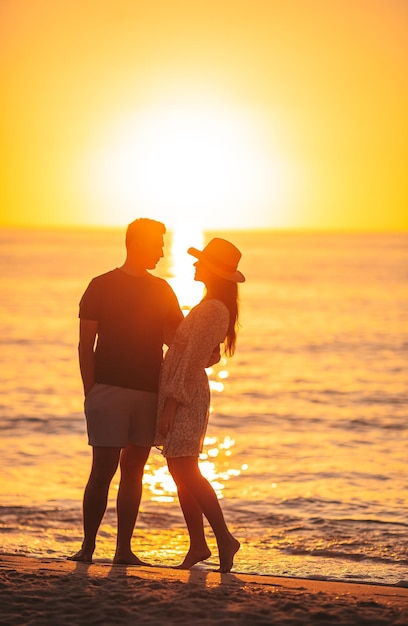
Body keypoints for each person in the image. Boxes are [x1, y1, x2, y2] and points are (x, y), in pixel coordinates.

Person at [70, 218, 185, 565]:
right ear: (136, 243)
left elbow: (175, 341)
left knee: (134, 470)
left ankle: (123, 551)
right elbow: (84, 346)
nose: (162, 252)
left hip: (150, 392)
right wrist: (91, 393)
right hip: (108, 391)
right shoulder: (100, 285)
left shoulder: (162, 290)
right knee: (102, 470)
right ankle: (88, 548)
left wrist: (208, 342)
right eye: (157, 244)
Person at [155, 237, 245, 573]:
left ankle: (223, 539)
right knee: (180, 470)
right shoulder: (212, 306)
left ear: (213, 270)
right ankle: (199, 543)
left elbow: (192, 361)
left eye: (200, 261)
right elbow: (201, 354)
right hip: (185, 393)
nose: (194, 265)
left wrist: (170, 407)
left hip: (186, 397)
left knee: (185, 469)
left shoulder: (212, 309)